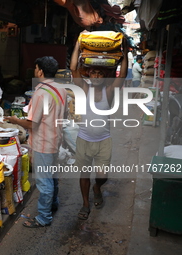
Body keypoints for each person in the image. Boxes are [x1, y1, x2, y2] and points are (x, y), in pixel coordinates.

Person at [5, 56, 68, 228]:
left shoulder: (41, 93)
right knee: (52, 177)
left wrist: (14, 120)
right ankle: (53, 204)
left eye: (36, 68)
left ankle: (43, 218)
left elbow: (32, 123)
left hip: (43, 143)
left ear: (40, 70)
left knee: (44, 181)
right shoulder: (61, 89)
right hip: (55, 139)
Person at [70, 37, 128, 220]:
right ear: (89, 75)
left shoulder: (109, 91)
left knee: (102, 176)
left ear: (105, 76)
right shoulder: (84, 88)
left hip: (103, 140)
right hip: (84, 139)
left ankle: (97, 187)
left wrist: (125, 53)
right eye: (93, 73)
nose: (95, 77)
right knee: (84, 173)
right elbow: (73, 68)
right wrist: (78, 44)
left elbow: (123, 75)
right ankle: (85, 204)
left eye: (99, 74)